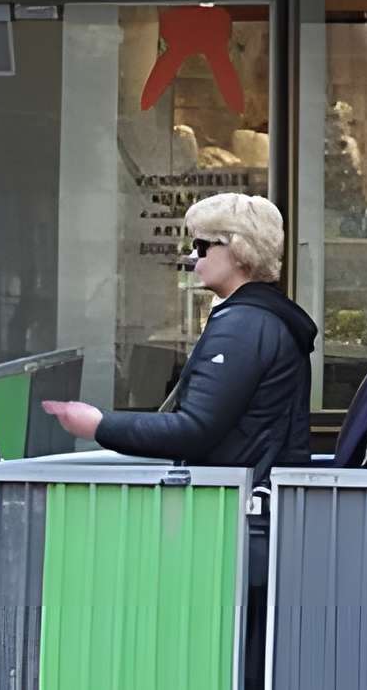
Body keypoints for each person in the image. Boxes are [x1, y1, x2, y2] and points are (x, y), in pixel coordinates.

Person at [44, 191, 315, 487]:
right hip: (251, 502)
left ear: (239, 250)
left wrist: (98, 425)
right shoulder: (264, 318)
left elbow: (193, 429)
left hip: (236, 512)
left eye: (201, 246)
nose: (192, 256)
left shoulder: (243, 325)